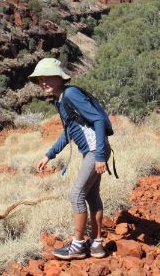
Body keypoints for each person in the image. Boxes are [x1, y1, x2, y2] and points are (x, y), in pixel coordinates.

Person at [32, 58, 110, 260]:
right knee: (92, 196)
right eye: (41, 78)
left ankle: (77, 245)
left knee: (76, 194)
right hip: (93, 151)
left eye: (48, 76)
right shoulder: (60, 100)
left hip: (95, 151)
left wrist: (100, 155)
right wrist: (48, 155)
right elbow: (68, 133)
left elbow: (99, 119)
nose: (44, 82)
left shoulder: (70, 94)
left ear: (59, 77)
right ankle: (97, 245)